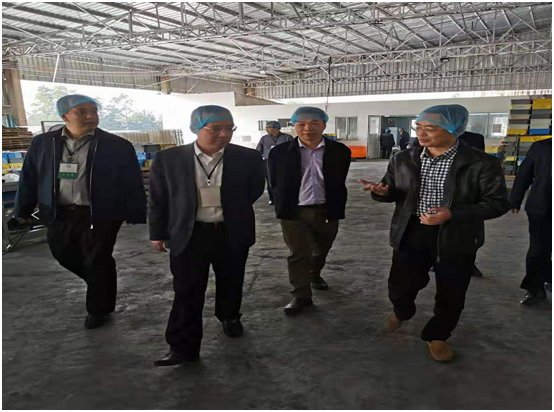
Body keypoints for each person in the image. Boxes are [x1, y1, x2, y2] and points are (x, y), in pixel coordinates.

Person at [360, 104, 510, 362]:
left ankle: (438, 335)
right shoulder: (403, 158)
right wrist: (382, 192)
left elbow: (497, 203)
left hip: (457, 235)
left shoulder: (481, 163)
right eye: (418, 127)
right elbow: (393, 190)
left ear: (453, 129)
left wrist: (452, 213)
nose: (421, 133)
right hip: (411, 230)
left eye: (430, 129)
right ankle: (402, 311)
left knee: (452, 291)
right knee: (400, 285)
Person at [14, 94, 147, 329]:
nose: (90, 116)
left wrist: (136, 212)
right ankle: (102, 281)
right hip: (59, 212)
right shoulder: (43, 143)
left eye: (94, 111)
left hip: (101, 213)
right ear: (64, 116)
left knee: (97, 257)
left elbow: (132, 181)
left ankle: (98, 309)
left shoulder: (116, 145)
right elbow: (30, 177)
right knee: (63, 253)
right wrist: (22, 209)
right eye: (82, 112)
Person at [149, 105, 265, 367]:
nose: (223, 134)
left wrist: (232, 209)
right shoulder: (169, 159)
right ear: (196, 128)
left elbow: (255, 189)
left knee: (231, 280)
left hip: (231, 230)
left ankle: (229, 316)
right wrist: (158, 232)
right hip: (189, 234)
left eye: (229, 128)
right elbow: (158, 199)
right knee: (186, 290)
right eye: (216, 129)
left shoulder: (247, 157)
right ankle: (182, 347)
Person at [268, 107, 351, 315]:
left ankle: (314, 274)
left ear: (324, 124)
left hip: (326, 209)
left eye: (314, 123)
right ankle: (301, 295)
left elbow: (339, 180)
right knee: (298, 253)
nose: (308, 128)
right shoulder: (279, 153)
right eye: (301, 124)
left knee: (321, 249)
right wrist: (282, 203)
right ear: (294, 126)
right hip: (294, 211)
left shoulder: (340, 151)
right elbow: (274, 182)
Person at [510, 138, 552, 305]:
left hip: (541, 206)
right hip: (542, 206)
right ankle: (535, 288)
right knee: (539, 247)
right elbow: (524, 174)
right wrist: (515, 200)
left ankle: (547, 275)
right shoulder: (542, 147)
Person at [459, 130, 486, 277]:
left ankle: (469, 263)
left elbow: (482, 164)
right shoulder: (431, 136)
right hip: (438, 192)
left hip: (469, 192)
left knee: (472, 234)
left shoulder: (475, 139)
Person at [256, 121, 293, 205]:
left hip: (284, 162)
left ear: (277, 128)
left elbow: (293, 151)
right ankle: (272, 198)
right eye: (266, 128)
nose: (266, 129)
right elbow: (258, 151)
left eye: (269, 127)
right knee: (270, 180)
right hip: (268, 162)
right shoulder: (264, 138)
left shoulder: (287, 138)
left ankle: (285, 198)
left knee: (284, 180)